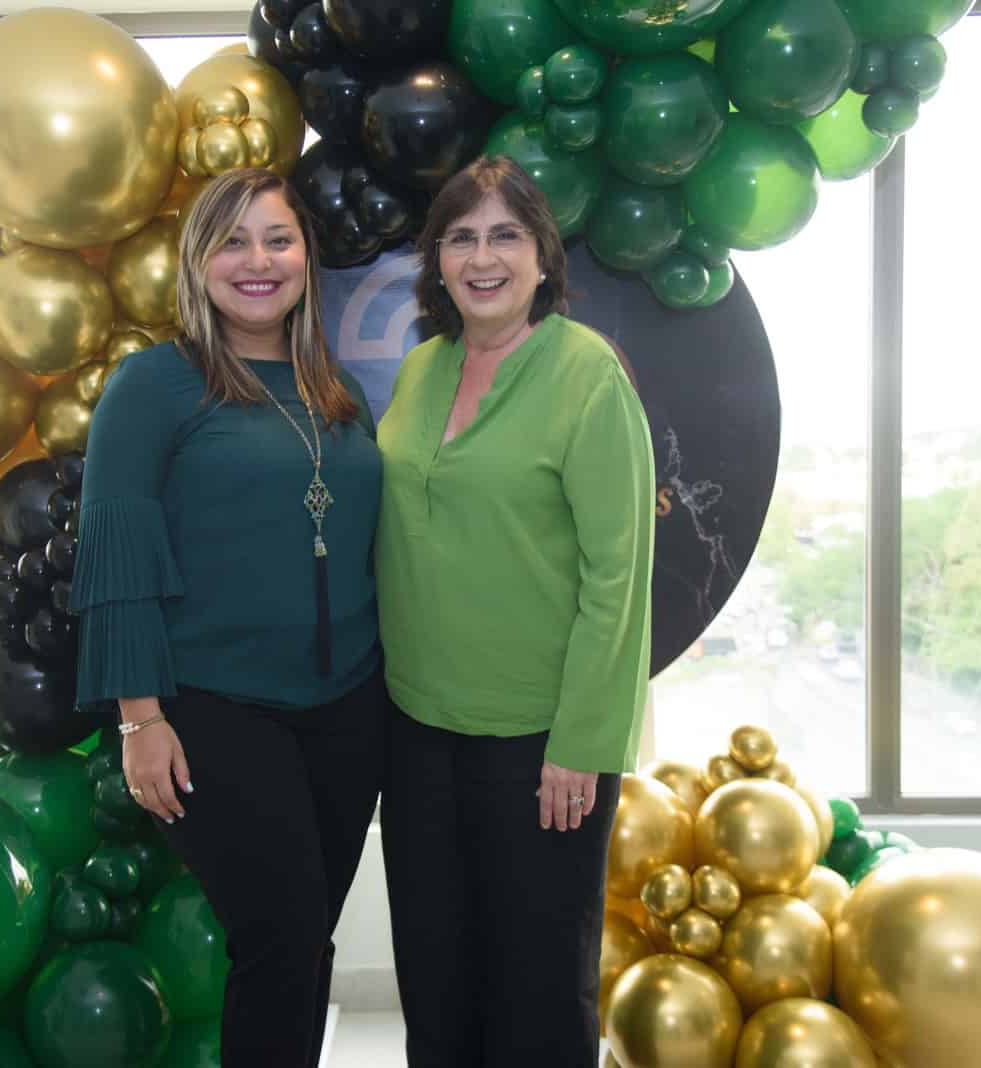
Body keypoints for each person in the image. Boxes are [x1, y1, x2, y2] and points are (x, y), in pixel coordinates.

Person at [69, 168, 386, 1068]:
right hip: (211, 708)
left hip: (347, 708)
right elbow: (117, 549)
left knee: (303, 945)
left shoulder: (341, 394)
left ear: (306, 257)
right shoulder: (154, 385)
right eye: (232, 241)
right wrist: (139, 717)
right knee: (281, 938)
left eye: (278, 239)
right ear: (196, 262)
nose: (258, 261)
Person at [375, 155, 656, 1066]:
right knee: (436, 977)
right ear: (438, 261)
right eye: (462, 237)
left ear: (543, 258)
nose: (483, 257)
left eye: (506, 235)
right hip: (417, 732)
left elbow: (620, 576)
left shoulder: (587, 377)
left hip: (543, 747)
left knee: (539, 991)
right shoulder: (421, 369)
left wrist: (581, 741)